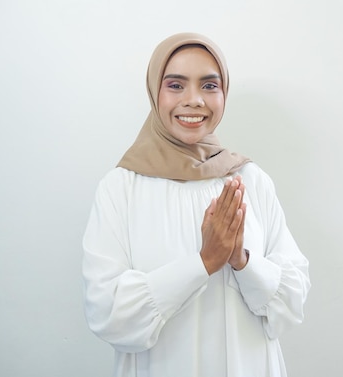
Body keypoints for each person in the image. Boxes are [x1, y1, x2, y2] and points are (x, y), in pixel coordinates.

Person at [82, 32, 311, 377]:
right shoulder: (122, 187)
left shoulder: (250, 179)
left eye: (209, 86)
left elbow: (291, 301)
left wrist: (241, 261)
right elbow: (108, 312)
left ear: (224, 93)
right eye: (175, 85)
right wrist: (204, 262)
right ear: (154, 90)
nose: (194, 100)